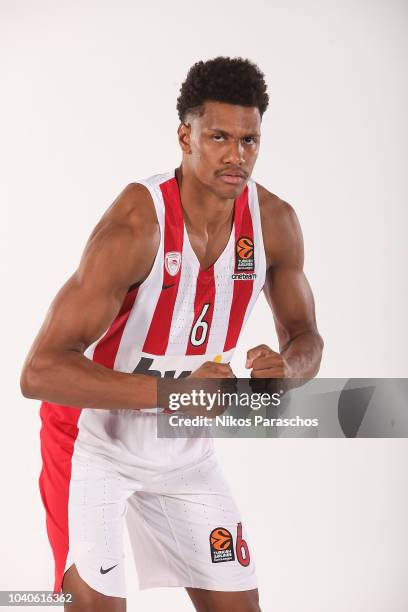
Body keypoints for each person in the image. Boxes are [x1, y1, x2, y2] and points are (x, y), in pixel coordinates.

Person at [20, 56, 323, 612]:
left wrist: (288, 371)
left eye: (250, 140)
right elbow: (38, 372)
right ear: (185, 136)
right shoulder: (138, 224)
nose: (237, 155)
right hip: (94, 445)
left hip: (183, 451)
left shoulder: (275, 222)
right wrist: (175, 393)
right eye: (219, 137)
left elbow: (306, 337)